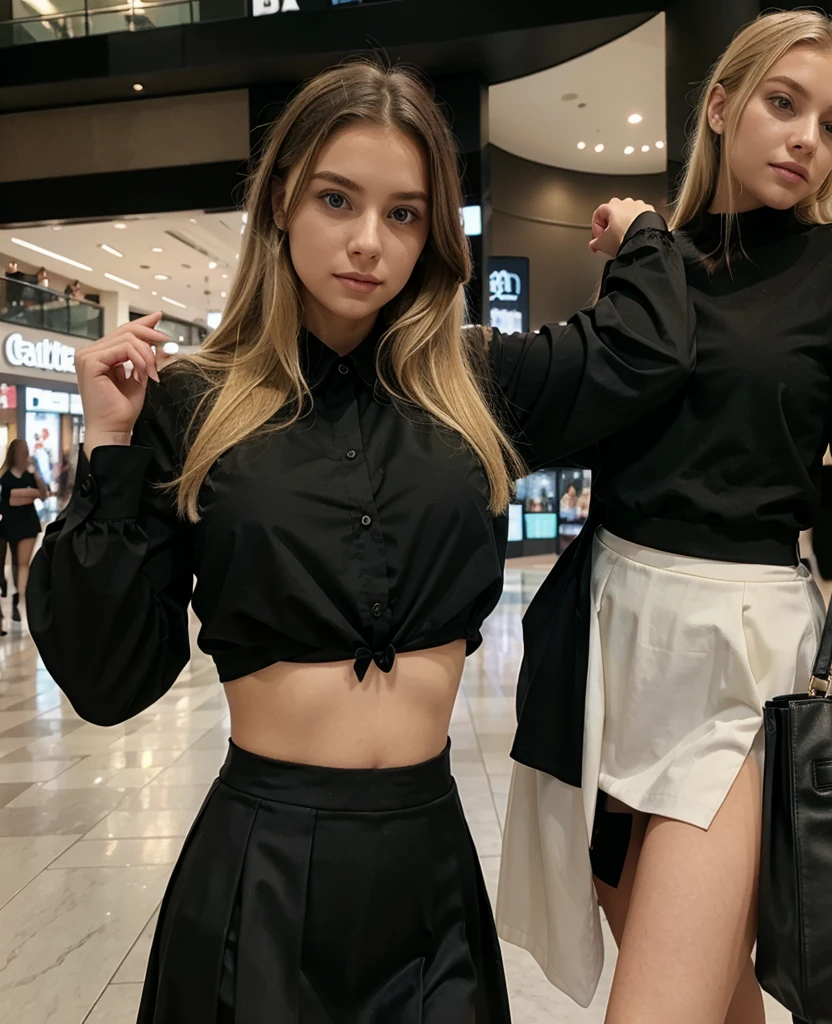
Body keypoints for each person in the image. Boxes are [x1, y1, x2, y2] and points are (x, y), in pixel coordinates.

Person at [27, 60, 692, 1023]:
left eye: (405, 214)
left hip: (430, 863)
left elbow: (646, 354)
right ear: (284, 202)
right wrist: (113, 447)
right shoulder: (195, 402)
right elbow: (105, 674)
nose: (368, 243)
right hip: (259, 867)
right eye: (338, 199)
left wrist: (641, 237)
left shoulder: (477, 385)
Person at [497, 11, 832, 1022]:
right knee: (712, 997)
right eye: (783, 103)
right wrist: (635, 246)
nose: (806, 137)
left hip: (741, 666)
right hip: (608, 649)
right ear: (720, 107)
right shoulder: (653, 256)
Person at [0, 439, 47, 625]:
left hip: (28, 524)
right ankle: (9, 589)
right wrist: (28, 494)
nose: (25, 454)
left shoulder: (30, 475)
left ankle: (19, 600)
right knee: (12, 564)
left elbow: (42, 494)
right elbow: (7, 501)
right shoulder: (5, 476)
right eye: (22, 451)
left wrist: (34, 476)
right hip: (9, 524)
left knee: (22, 564)